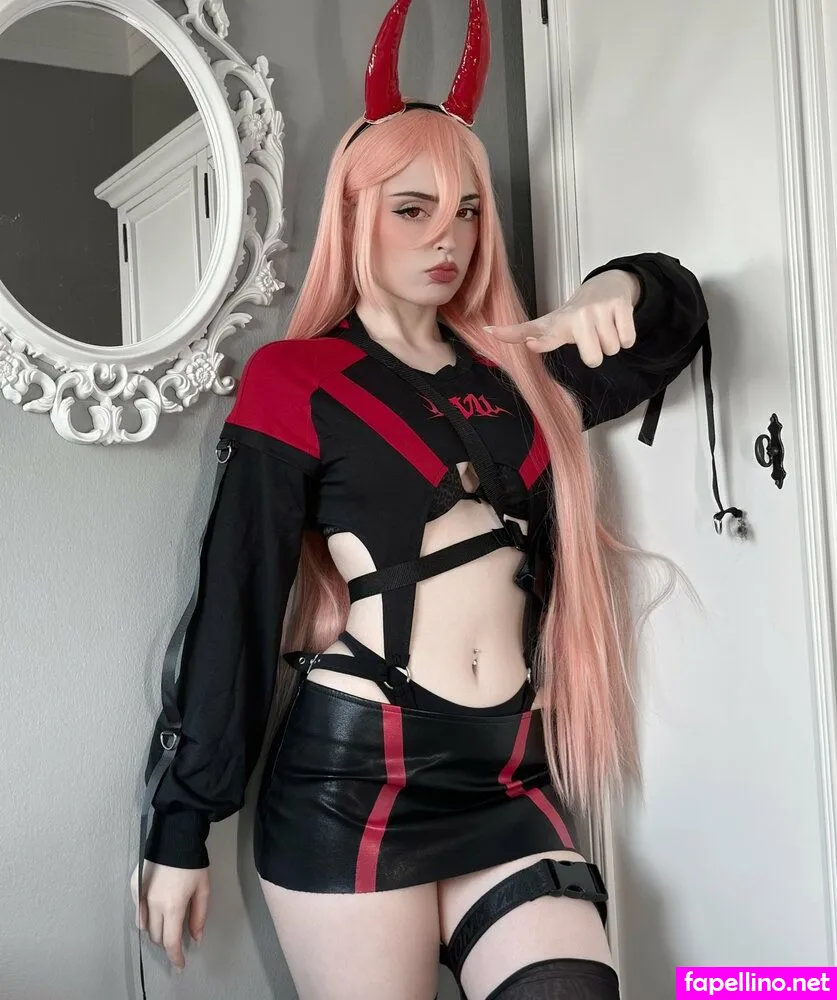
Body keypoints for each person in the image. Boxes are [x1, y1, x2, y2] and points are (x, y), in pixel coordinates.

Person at [131, 1, 724, 997]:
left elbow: (675, 328)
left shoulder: (524, 370)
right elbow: (236, 598)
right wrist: (181, 823)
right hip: (353, 783)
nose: (448, 238)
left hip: (510, 776)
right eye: (413, 210)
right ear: (355, 214)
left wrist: (621, 286)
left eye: (468, 211)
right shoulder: (297, 380)